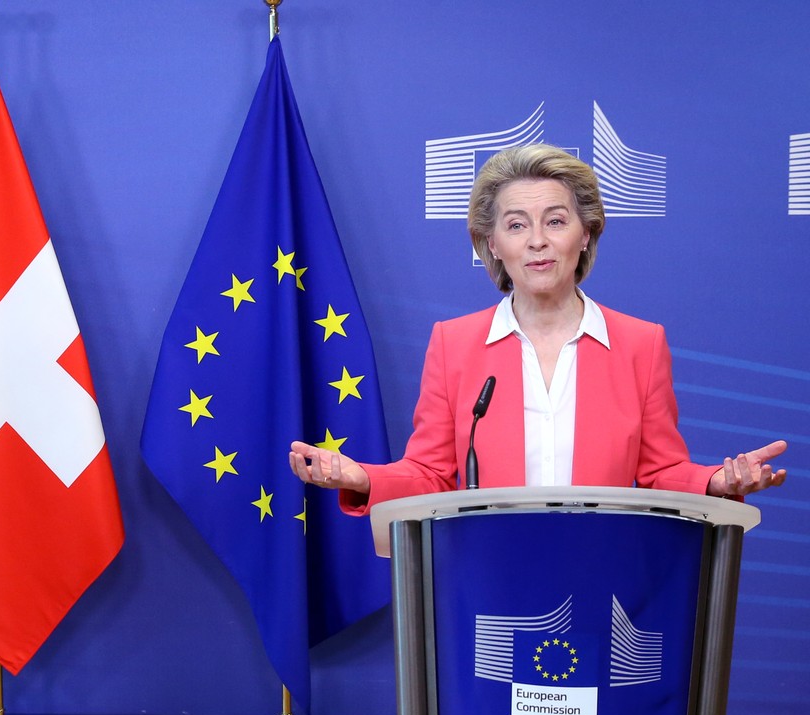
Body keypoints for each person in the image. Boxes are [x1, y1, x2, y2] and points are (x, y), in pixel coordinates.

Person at [289, 143, 785, 512]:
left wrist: (717, 483)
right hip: (492, 571)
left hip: (603, 568)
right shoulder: (454, 344)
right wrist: (363, 478)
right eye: (516, 225)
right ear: (491, 244)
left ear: (585, 233)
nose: (537, 242)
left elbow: (661, 473)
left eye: (555, 221)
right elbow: (430, 474)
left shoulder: (640, 344)